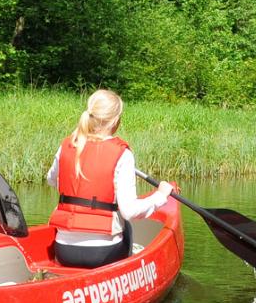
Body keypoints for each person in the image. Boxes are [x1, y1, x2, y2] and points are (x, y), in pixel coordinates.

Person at [45, 89, 174, 268]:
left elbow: (51, 180)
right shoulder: (122, 154)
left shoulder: (67, 145)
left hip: (64, 252)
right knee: (126, 225)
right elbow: (129, 211)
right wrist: (160, 195)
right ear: (115, 120)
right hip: (102, 254)